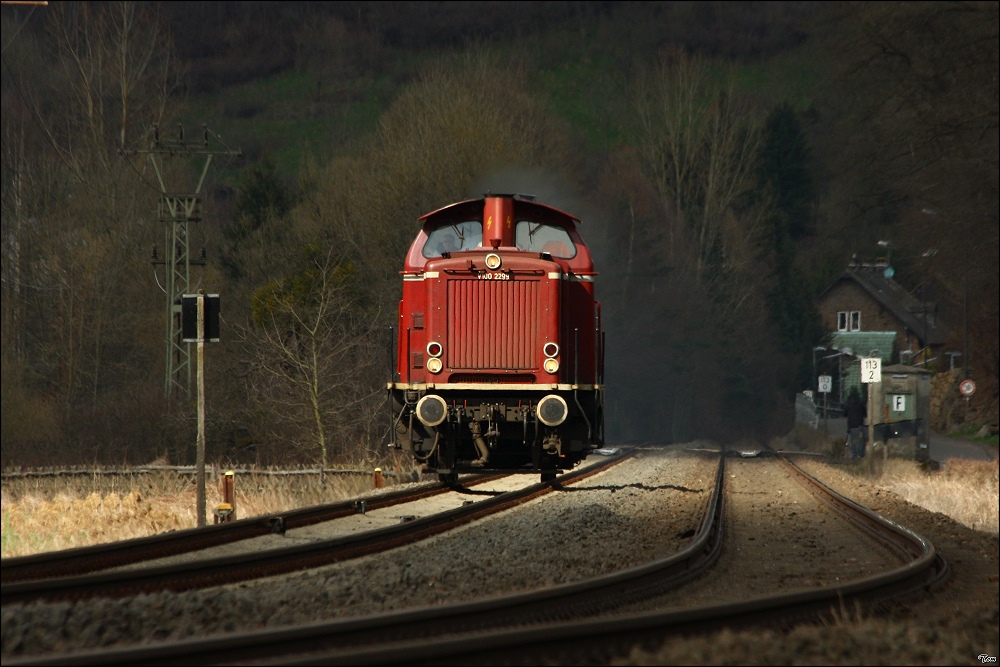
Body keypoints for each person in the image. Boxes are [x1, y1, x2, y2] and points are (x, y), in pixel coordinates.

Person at [843, 390, 866, 460]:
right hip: (859, 425)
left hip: (851, 426)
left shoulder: (848, 405)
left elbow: (844, 414)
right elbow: (865, 414)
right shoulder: (861, 404)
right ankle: (860, 454)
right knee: (861, 440)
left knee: (852, 440)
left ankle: (853, 455)